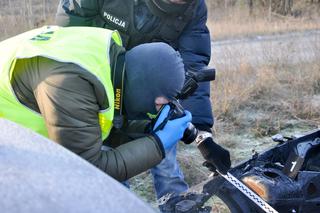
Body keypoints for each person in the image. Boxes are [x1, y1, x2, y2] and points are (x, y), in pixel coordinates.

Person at [55, 0, 231, 201]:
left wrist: (202, 135)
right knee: (108, 173)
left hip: (153, 95)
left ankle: (174, 203)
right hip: (100, 90)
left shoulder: (194, 8)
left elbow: (193, 68)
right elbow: (69, 28)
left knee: (167, 166)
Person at [0, 26, 192, 182]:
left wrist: (147, 129)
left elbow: (94, 128)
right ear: (150, 94)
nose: (153, 112)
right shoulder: (69, 83)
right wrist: (156, 144)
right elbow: (85, 170)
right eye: (159, 106)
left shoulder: (106, 58)